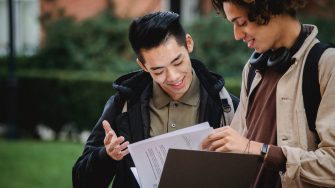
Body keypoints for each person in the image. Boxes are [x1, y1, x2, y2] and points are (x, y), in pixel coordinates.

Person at [72, 11, 239, 188]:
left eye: (177, 62)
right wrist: (106, 156)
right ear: (143, 66)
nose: (173, 77)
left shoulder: (228, 107)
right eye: (158, 71)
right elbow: (81, 182)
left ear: (188, 44)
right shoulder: (123, 106)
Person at [202, 0, 335, 187]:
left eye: (241, 23)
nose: (237, 35)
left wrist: (261, 150)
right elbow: (238, 148)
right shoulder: (251, 69)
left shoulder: (327, 65)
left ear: (269, 9)